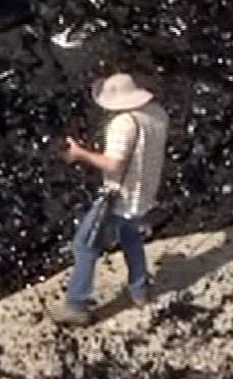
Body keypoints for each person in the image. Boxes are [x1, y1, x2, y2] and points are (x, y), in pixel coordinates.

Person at [59, 72, 169, 324]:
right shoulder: (157, 114)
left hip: (119, 196)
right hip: (144, 195)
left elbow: (113, 164)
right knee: (131, 237)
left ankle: (77, 305)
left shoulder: (123, 123)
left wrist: (80, 154)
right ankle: (140, 290)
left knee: (85, 244)